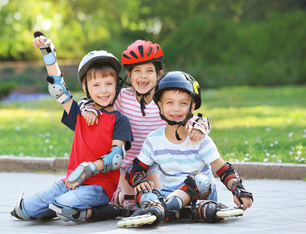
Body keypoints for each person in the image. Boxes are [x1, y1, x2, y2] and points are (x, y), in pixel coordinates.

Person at [10, 31, 133, 223]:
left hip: (99, 187)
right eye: (96, 85)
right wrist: (49, 55)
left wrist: (88, 168)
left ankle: (107, 210)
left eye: (108, 84)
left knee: (64, 204)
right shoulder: (80, 114)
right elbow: (59, 90)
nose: (103, 90)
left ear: (116, 85)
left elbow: (116, 158)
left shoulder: (119, 120)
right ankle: (58, 208)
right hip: (71, 181)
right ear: (86, 88)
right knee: (24, 210)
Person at [80, 40, 211, 209]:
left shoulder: (164, 99)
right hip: (125, 166)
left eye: (149, 71)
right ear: (129, 74)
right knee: (127, 202)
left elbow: (190, 117)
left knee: (157, 197)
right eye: (137, 71)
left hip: (154, 163)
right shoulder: (122, 97)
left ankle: (167, 203)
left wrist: (201, 126)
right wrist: (88, 109)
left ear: (159, 74)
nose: (143, 76)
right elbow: (94, 101)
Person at [117, 71, 253, 227]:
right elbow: (136, 169)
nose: (176, 109)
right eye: (169, 103)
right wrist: (139, 180)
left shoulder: (200, 140)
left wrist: (239, 190)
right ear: (159, 105)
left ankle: (159, 211)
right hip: (168, 193)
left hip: (201, 191)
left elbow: (224, 170)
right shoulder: (153, 140)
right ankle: (196, 211)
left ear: (192, 106)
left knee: (198, 178)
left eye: (183, 103)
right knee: (143, 193)